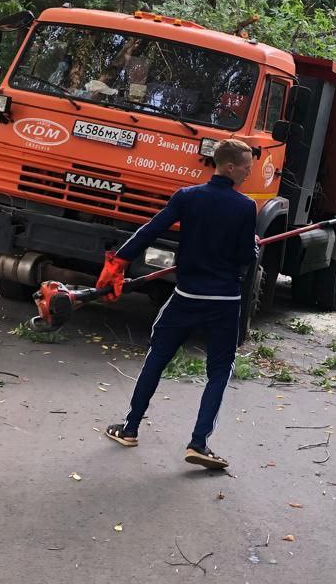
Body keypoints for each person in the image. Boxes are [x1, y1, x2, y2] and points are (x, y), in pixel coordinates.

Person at [96, 139, 257, 469]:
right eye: (245, 166)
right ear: (229, 167)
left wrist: (118, 262)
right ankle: (198, 444)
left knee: (157, 357)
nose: (249, 172)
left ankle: (129, 429)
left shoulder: (187, 197)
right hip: (225, 301)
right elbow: (244, 259)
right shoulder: (245, 208)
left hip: (186, 296)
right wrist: (252, 246)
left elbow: (150, 231)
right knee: (219, 371)